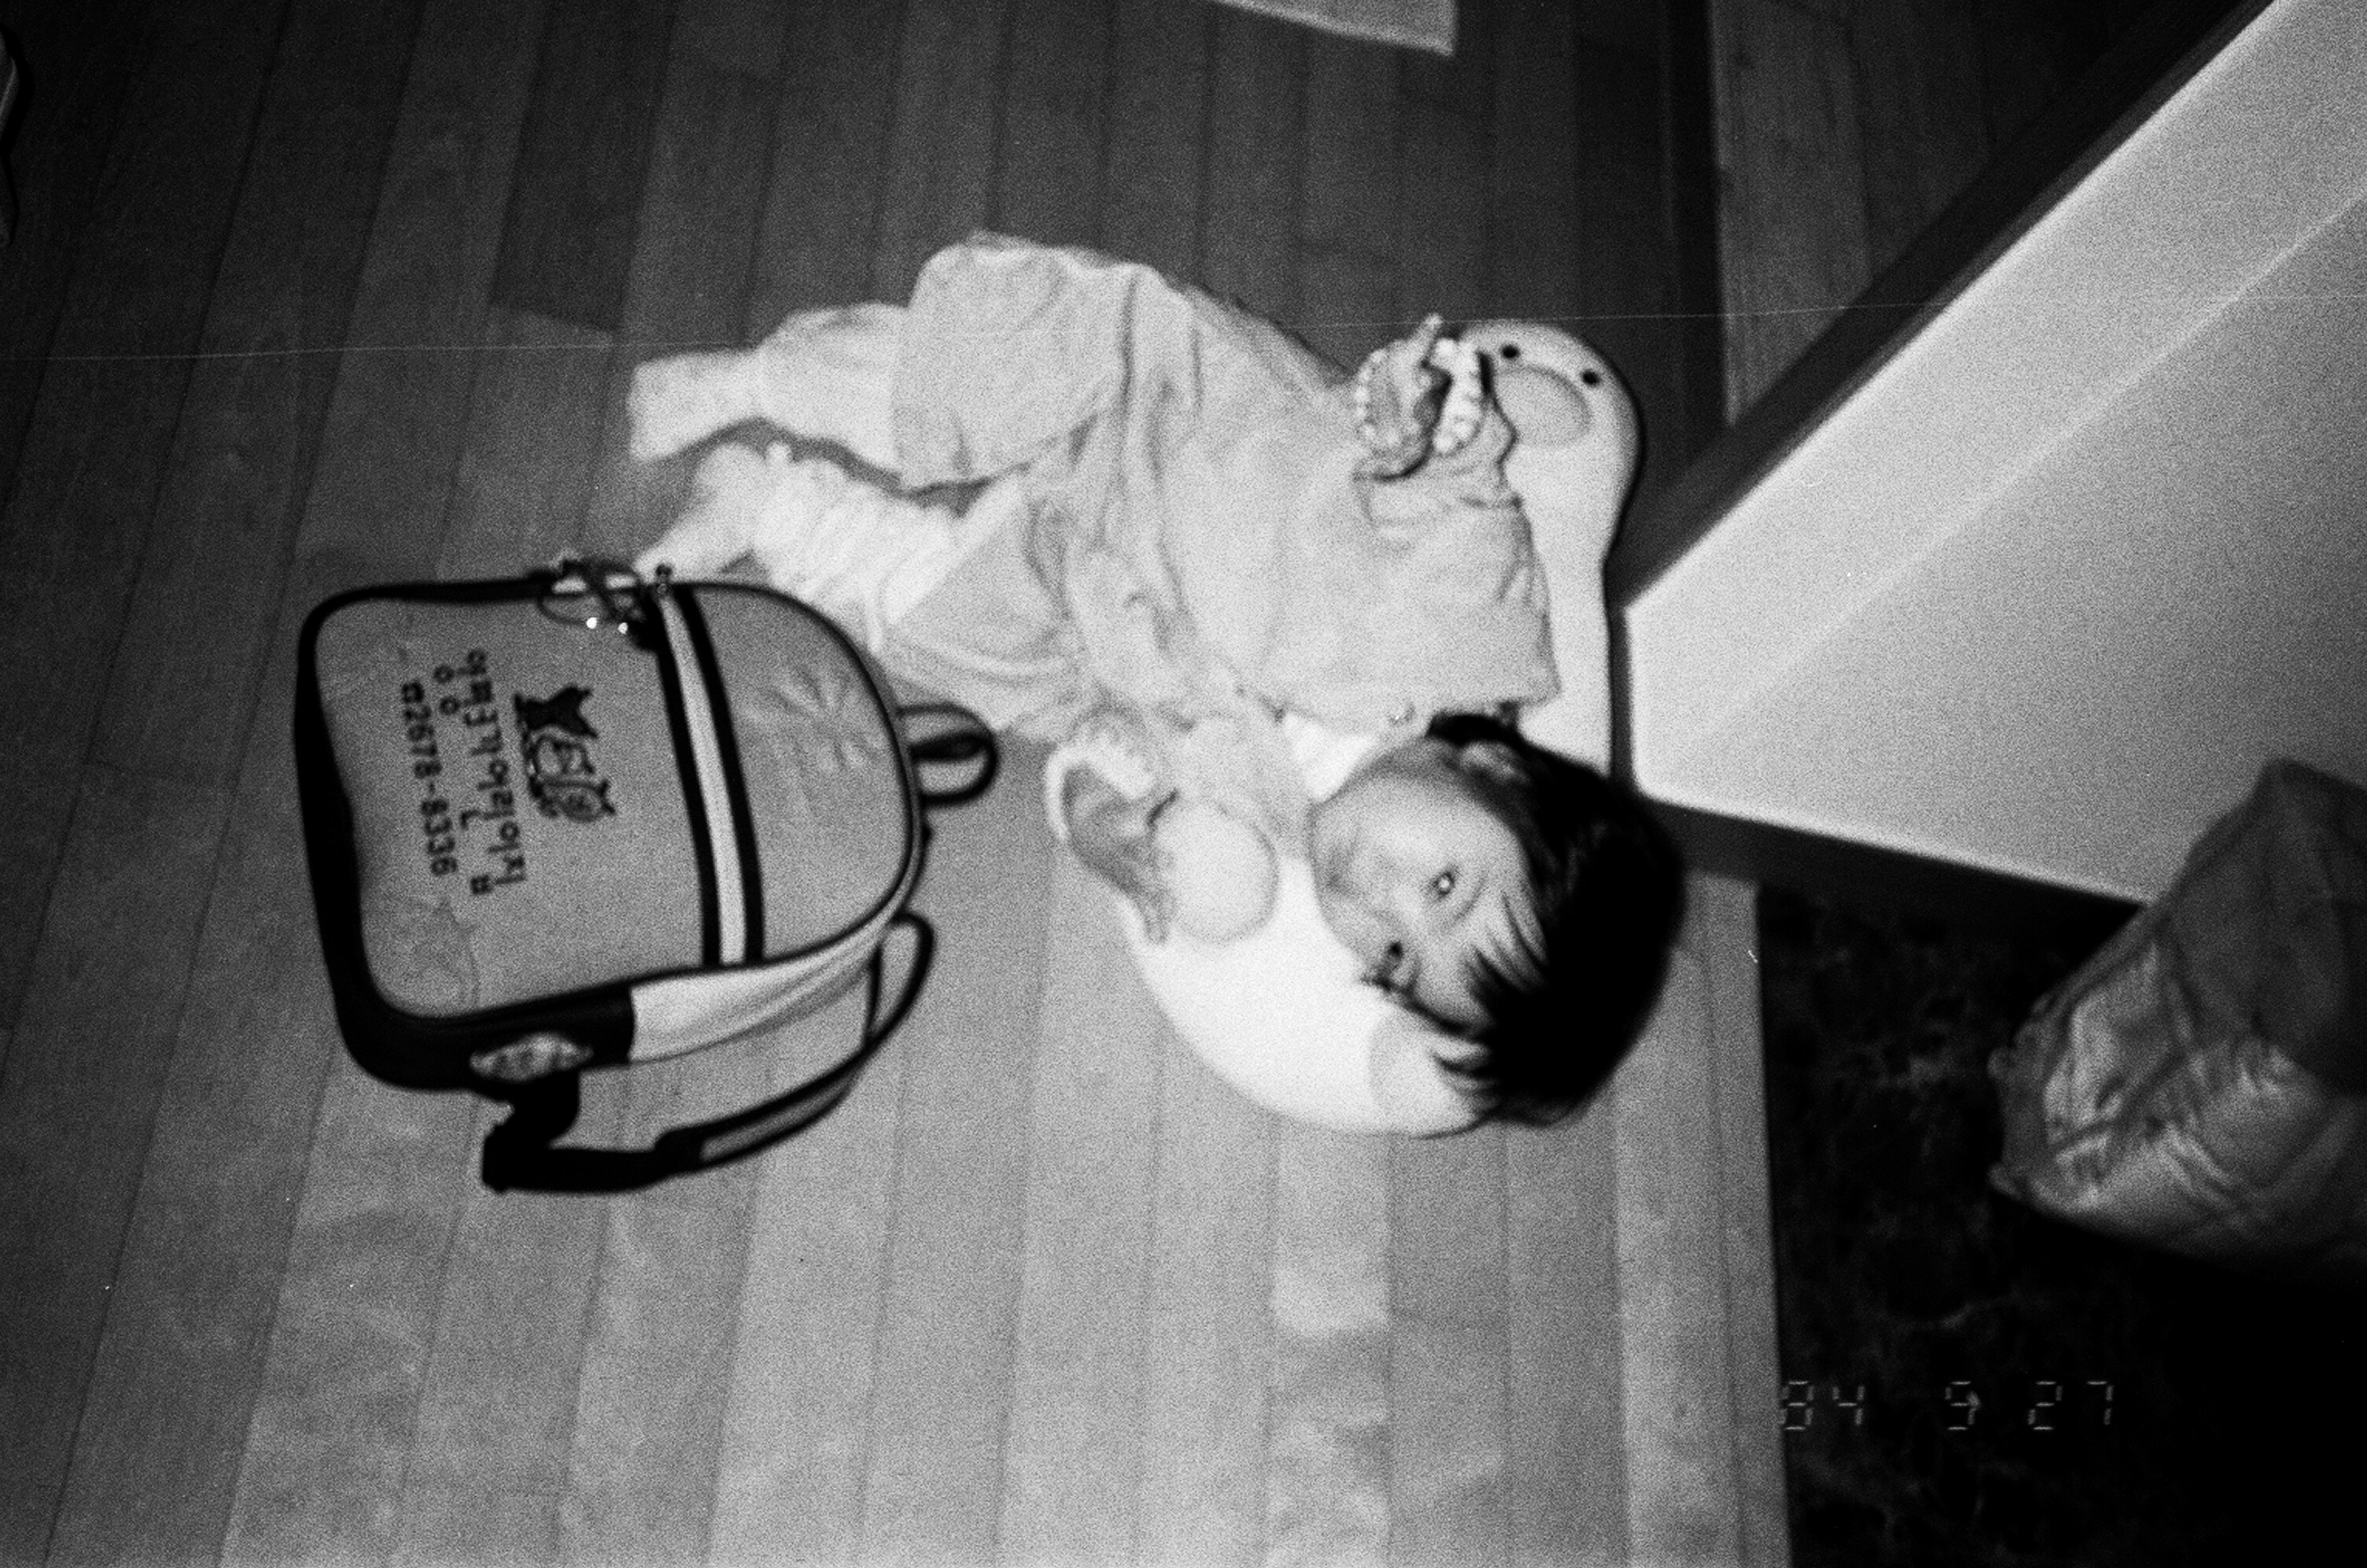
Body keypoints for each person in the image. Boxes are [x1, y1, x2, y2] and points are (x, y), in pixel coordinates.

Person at [630, 234, 1682, 1127]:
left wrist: (1101, 822)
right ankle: (760, 380)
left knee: (942, 630)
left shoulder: (1275, 821)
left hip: (1092, 604)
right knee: (959, 372)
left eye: (1397, 956)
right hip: (1165, 432)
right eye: (1443, 885)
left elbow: (1110, 748)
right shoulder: (1469, 635)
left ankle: (764, 507)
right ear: (1498, 770)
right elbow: (1459, 493)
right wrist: (1423, 423)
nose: (1377, 899)